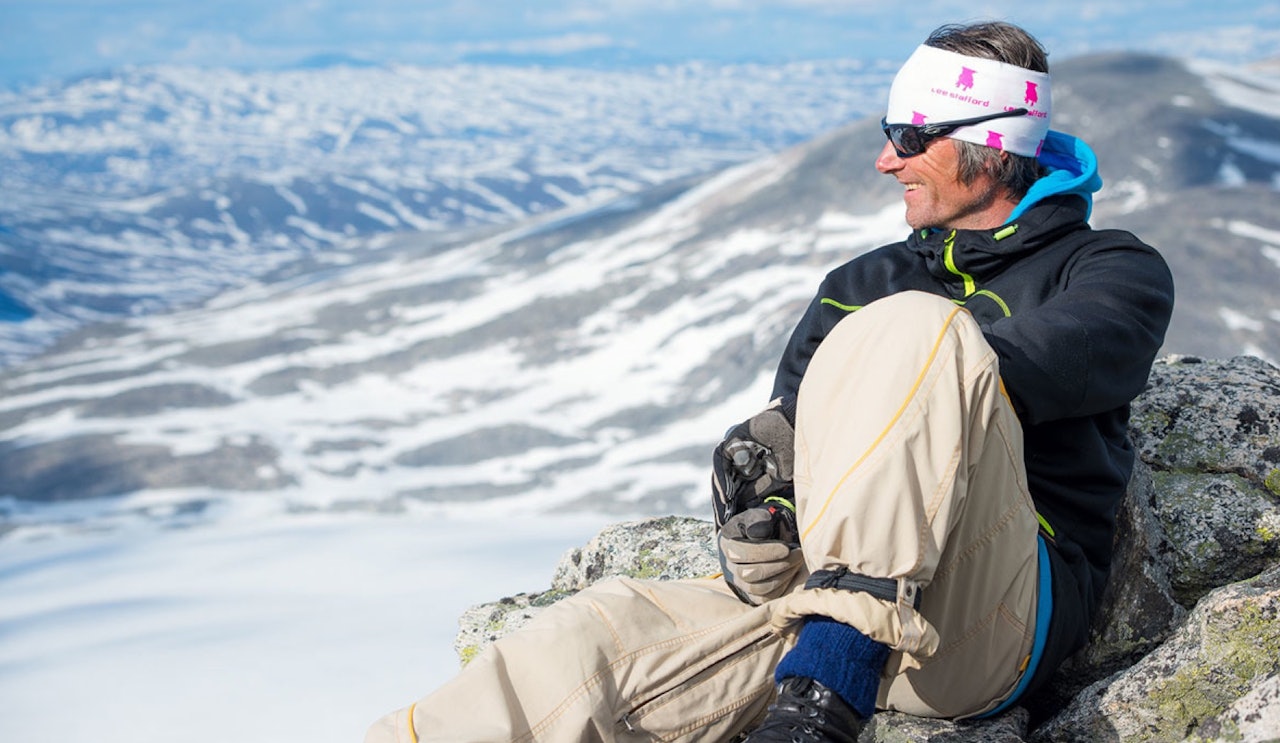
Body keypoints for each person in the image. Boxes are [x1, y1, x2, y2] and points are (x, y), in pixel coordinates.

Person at [365, 20, 1174, 743]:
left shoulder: (1110, 272)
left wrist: (897, 373)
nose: (886, 159)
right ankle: (827, 666)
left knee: (918, 330)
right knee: (589, 638)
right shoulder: (859, 283)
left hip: (985, 625)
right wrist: (763, 521)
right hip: (829, 616)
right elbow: (794, 442)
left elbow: (1024, 364)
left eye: (909, 136)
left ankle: (824, 694)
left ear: (992, 144)